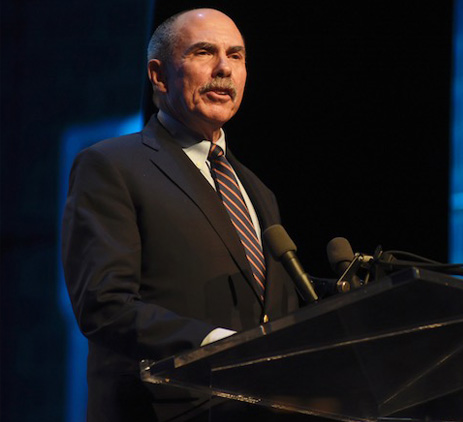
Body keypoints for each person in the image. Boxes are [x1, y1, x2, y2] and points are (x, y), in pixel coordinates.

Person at [61, 8, 302, 421]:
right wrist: (218, 344)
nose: (224, 68)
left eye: (236, 55)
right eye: (204, 52)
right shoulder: (111, 165)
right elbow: (104, 305)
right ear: (159, 75)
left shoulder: (257, 190)